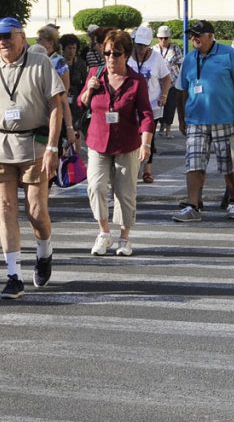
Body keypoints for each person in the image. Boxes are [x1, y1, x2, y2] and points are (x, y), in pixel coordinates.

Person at [0, 17, 71, 299]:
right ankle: (13, 275)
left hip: (34, 145)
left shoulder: (41, 64)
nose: (1, 42)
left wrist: (53, 148)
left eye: (7, 36)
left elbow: (56, 106)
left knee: (36, 212)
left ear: (22, 36)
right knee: (5, 209)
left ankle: (44, 252)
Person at [78, 29, 154, 256]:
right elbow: (82, 104)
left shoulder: (136, 81)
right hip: (98, 140)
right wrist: (88, 90)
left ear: (126, 55)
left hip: (126, 143)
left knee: (125, 192)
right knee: (95, 186)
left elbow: (147, 114)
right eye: (107, 52)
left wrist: (146, 143)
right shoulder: (95, 74)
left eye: (116, 53)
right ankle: (103, 233)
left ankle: (124, 237)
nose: (111, 58)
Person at [171, 20, 234, 222]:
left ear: (210, 36)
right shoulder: (189, 58)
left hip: (224, 117)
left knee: (229, 164)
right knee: (194, 163)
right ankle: (193, 205)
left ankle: (233, 201)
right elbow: (181, 90)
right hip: (196, 120)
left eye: (198, 35)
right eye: (192, 35)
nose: (194, 39)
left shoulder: (227, 54)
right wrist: (181, 118)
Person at [127, 26, 169, 183]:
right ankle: (133, 167)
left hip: (151, 103)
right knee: (133, 135)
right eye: (138, 45)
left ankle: (147, 169)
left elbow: (166, 78)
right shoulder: (127, 56)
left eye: (144, 46)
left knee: (148, 136)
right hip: (131, 103)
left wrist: (164, 95)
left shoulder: (156, 57)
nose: (141, 49)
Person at [153, 25, 183, 138]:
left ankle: (168, 129)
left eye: (166, 38)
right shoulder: (153, 49)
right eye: (161, 38)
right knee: (159, 105)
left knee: (170, 106)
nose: (163, 40)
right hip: (157, 84)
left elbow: (180, 64)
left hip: (172, 82)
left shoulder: (175, 49)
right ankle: (161, 126)